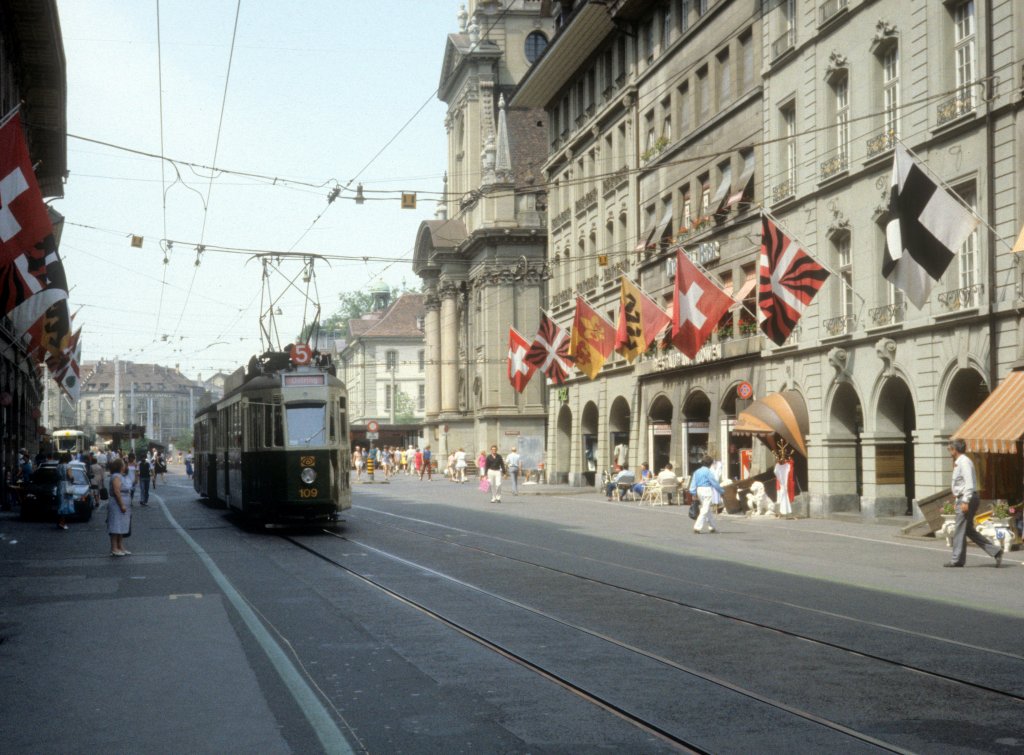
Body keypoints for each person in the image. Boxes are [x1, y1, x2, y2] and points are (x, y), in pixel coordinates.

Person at [944, 439, 1002, 568]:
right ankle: (995, 551)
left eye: (949, 449)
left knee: (960, 529)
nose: (949, 451)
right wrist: (958, 500)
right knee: (967, 529)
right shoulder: (960, 462)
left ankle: (957, 560)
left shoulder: (964, 462)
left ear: (955, 450)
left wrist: (965, 501)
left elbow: (969, 484)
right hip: (965, 497)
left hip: (967, 498)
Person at [690, 456, 725, 534]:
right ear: (710, 464)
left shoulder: (697, 471)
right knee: (705, 509)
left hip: (699, 490)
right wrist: (721, 491)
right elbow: (714, 483)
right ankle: (697, 527)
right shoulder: (708, 472)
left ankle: (712, 527)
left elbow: (693, 483)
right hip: (707, 490)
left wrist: (693, 492)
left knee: (707, 509)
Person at [106, 457, 131, 557]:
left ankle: (120, 546)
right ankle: (114, 548)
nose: (125, 466)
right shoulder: (116, 476)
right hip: (117, 504)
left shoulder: (122, 476)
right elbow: (117, 491)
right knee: (115, 525)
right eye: (123, 464)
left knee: (122, 526)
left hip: (124, 502)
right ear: (120, 466)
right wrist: (122, 505)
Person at [774, 445, 795, 519]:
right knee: (782, 497)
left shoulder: (788, 465)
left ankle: (787, 512)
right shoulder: (779, 467)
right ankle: (784, 512)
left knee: (785, 497)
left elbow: (789, 466)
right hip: (782, 485)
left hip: (786, 485)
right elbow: (776, 471)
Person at [56, 452, 74, 530]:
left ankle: (60, 521)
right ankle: (62, 523)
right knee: (65, 504)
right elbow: (70, 476)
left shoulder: (58, 466)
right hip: (66, 485)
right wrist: (73, 479)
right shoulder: (68, 466)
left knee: (60, 503)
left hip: (60, 485)